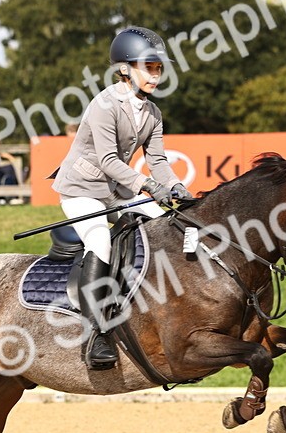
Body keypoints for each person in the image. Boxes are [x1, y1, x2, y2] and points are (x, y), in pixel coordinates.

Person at [53, 26, 188, 370]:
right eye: (149, 67)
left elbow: (158, 160)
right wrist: (146, 185)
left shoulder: (153, 113)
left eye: (159, 68)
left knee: (166, 227)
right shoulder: (104, 105)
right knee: (100, 241)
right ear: (125, 68)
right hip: (81, 188)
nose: (156, 75)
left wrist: (175, 188)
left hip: (115, 190)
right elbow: (109, 160)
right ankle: (96, 333)